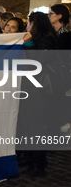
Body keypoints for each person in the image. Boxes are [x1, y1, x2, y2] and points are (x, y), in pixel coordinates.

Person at [17, 12, 60, 177]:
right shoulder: (38, 38)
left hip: (40, 89)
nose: (27, 25)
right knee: (28, 124)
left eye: (28, 22)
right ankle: (30, 157)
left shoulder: (46, 39)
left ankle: (38, 163)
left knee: (37, 126)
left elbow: (39, 61)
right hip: (30, 86)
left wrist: (28, 45)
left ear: (34, 23)